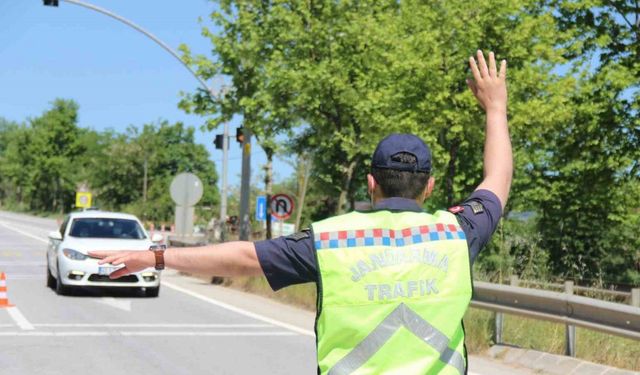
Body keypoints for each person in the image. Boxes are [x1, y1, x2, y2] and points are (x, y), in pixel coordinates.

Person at [90, 50, 511, 375]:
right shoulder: (457, 232)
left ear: (371, 182)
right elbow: (497, 178)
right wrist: (495, 108)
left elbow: (242, 258)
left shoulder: (332, 240)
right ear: (430, 186)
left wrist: (156, 257)